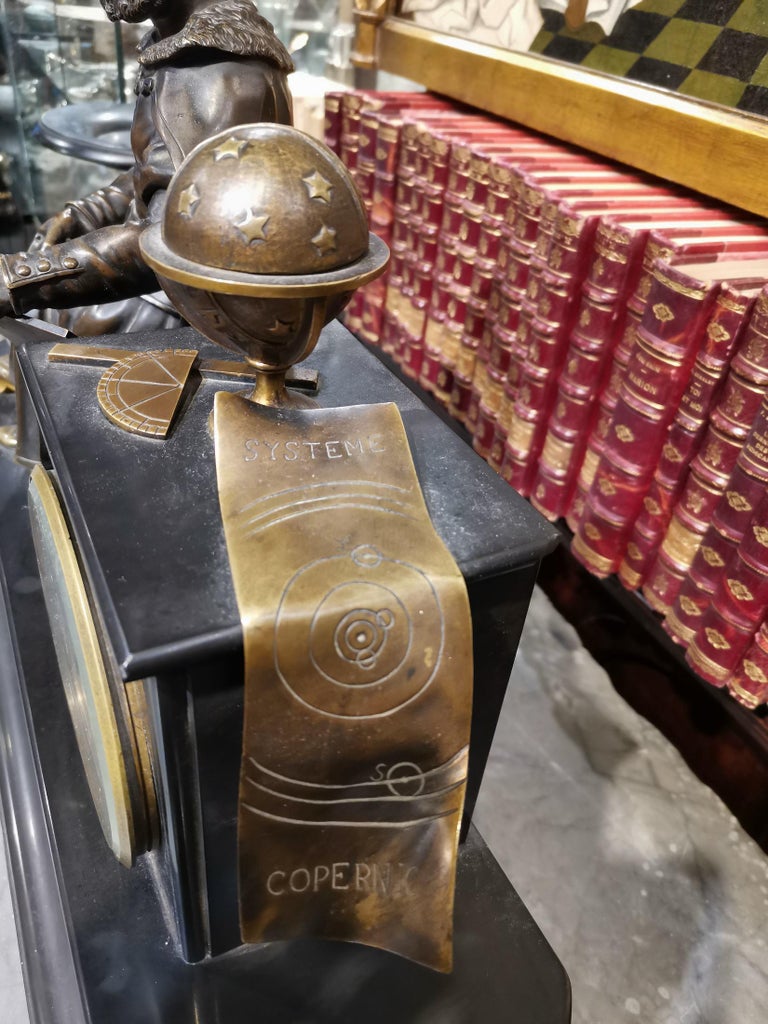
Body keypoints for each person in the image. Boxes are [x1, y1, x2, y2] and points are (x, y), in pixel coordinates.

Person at [0, 0, 294, 333]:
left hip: (188, 309)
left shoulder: (214, 69)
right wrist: (86, 213)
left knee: (40, 329)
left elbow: (172, 237)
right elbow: (157, 172)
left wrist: (16, 276)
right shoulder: (180, 45)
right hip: (162, 280)